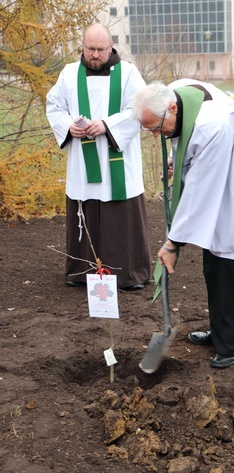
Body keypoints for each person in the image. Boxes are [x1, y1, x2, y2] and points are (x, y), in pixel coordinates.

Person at [132, 79, 234, 368]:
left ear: (170, 108)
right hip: (224, 183)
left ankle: (233, 344)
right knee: (215, 266)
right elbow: (184, 141)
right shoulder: (178, 93)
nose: (156, 135)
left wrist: (173, 243)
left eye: (156, 128)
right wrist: (174, 158)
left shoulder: (212, 125)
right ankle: (223, 333)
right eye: (150, 130)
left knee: (231, 269)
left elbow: (199, 192)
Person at [46, 24, 151, 290]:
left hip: (118, 158)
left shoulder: (128, 74)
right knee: (86, 208)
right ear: (82, 46)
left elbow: (140, 109)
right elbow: (54, 106)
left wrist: (107, 125)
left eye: (100, 50)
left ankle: (127, 274)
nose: (95, 55)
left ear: (111, 46)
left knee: (120, 216)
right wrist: (68, 125)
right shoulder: (70, 74)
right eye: (90, 49)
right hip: (83, 158)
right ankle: (82, 272)